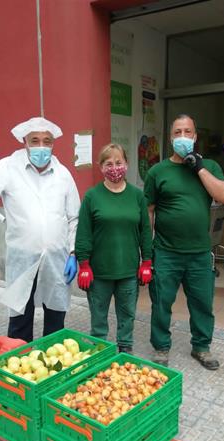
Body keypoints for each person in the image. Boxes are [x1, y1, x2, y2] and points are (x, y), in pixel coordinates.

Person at [0, 117, 80, 342]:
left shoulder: (63, 173)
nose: (41, 146)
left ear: (53, 143)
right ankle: (18, 365)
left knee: (56, 317)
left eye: (47, 141)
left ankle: (52, 367)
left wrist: (74, 253)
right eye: (34, 140)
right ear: (24, 142)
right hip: (23, 260)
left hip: (57, 259)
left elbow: (74, 217)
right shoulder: (9, 167)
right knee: (20, 319)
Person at [144, 114, 224, 369]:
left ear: (195, 137)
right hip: (166, 251)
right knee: (161, 302)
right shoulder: (157, 171)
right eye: (177, 132)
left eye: (187, 132)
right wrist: (148, 249)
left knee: (203, 303)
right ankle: (161, 346)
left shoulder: (210, 166)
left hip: (199, 253)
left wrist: (199, 167)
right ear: (171, 137)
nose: (182, 136)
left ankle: (201, 347)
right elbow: (148, 210)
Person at [75, 143, 152, 353]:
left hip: (128, 271)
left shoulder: (137, 196)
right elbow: (83, 233)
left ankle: (125, 351)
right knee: (98, 318)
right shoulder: (92, 196)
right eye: (109, 163)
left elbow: (146, 230)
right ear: (101, 168)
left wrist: (147, 262)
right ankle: (100, 352)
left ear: (126, 164)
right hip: (99, 273)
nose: (114, 167)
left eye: (119, 162)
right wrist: (83, 264)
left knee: (127, 315)